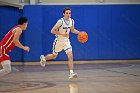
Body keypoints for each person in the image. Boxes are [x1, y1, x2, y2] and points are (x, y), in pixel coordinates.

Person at [40, 7, 81, 79]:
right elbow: (52, 31)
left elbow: (73, 30)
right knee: (54, 56)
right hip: (58, 41)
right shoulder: (60, 21)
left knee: (70, 56)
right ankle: (44, 58)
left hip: (66, 41)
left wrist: (80, 33)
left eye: (69, 13)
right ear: (63, 14)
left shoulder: (72, 21)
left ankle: (71, 73)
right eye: (67, 13)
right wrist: (61, 34)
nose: (68, 14)